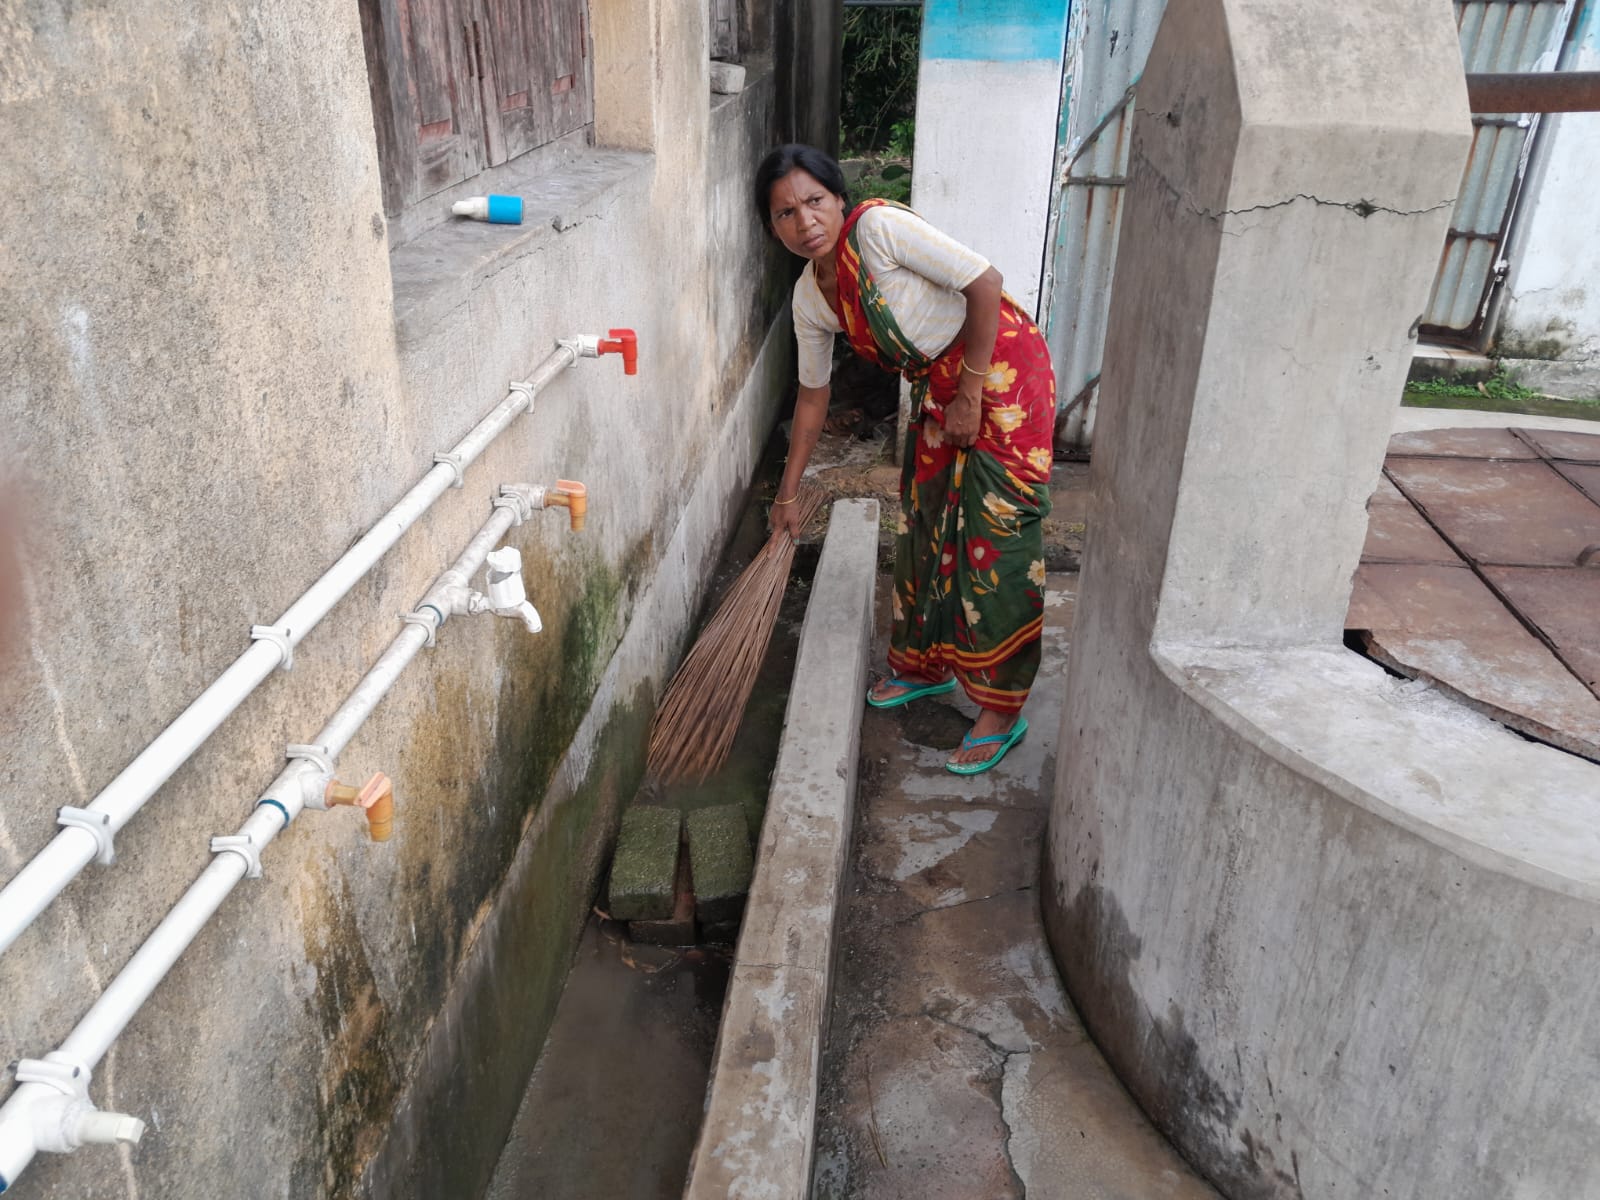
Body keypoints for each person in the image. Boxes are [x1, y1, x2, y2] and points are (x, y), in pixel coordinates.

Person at [756, 143, 1055, 776]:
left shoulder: (878, 231)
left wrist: (970, 394)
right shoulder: (811, 299)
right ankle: (924, 667)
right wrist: (787, 495)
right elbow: (812, 399)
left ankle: (1001, 708)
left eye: (815, 201)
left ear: (839, 199)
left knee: (996, 535)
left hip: (1001, 369)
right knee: (924, 522)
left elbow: (985, 284)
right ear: (772, 227)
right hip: (940, 387)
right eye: (785, 212)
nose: (805, 221)